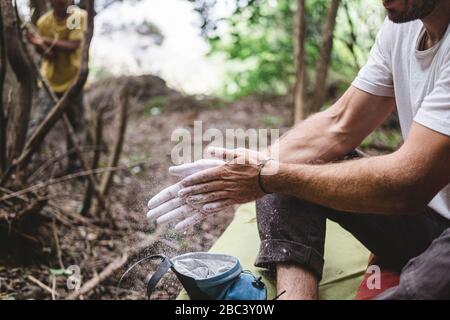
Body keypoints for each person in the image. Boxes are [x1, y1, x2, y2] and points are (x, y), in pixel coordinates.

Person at [149, 0, 450, 299]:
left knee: (417, 289)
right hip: (423, 222)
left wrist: (266, 177)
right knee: (285, 164)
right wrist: (246, 171)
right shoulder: (402, 26)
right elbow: (340, 123)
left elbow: (409, 184)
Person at [27, 0, 87, 173]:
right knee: (39, 122)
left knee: (75, 126)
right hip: (50, 81)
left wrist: (42, 39)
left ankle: (75, 166)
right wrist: (37, 45)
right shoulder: (44, 22)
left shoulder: (75, 16)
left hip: (73, 81)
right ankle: (29, 162)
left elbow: (73, 45)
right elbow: (50, 55)